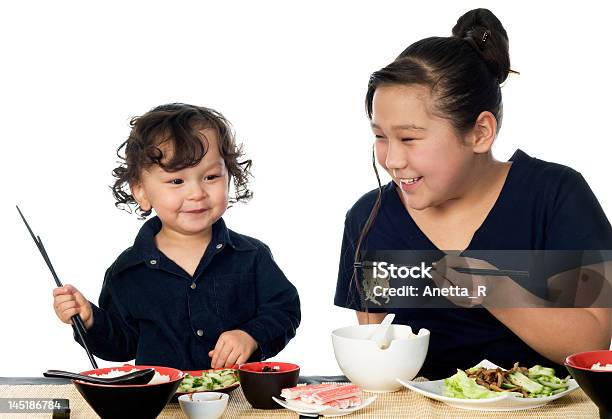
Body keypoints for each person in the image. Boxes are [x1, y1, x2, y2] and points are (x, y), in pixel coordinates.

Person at [334, 9, 612, 379]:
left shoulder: (555, 195)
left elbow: (593, 342)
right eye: (381, 136)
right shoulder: (369, 217)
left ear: (480, 132)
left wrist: (492, 288)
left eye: (410, 138)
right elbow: (374, 340)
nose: (392, 159)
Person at [52, 103, 301, 370]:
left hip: (235, 399)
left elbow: (284, 310)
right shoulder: (126, 272)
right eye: (176, 181)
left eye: (211, 176)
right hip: (159, 402)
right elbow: (122, 344)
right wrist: (90, 321)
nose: (196, 193)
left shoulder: (251, 256)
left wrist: (250, 335)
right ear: (141, 192)